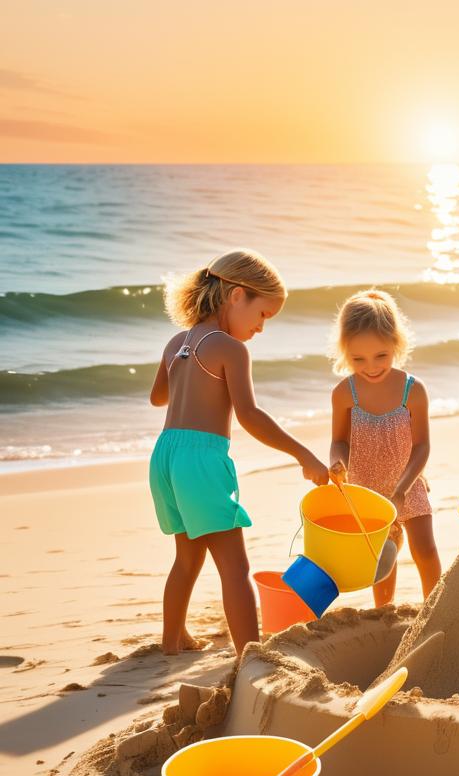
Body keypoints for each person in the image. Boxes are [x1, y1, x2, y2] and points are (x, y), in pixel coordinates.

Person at [149, 249, 328, 655]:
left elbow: (158, 397)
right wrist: (304, 455)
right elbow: (249, 415)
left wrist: (187, 377)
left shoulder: (178, 341)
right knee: (236, 567)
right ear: (236, 295)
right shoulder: (230, 349)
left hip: (165, 456)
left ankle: (172, 640)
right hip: (202, 458)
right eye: (263, 314)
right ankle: (251, 653)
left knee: (187, 557)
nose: (262, 328)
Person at [328, 289, 441, 606]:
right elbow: (339, 440)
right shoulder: (344, 393)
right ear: (345, 352)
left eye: (381, 355)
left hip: (408, 484)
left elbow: (422, 446)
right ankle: (383, 612)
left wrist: (404, 487)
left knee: (425, 551)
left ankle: (434, 607)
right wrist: (337, 463)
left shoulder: (412, 390)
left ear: (396, 344)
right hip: (367, 488)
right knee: (382, 557)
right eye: (357, 359)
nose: (371, 366)